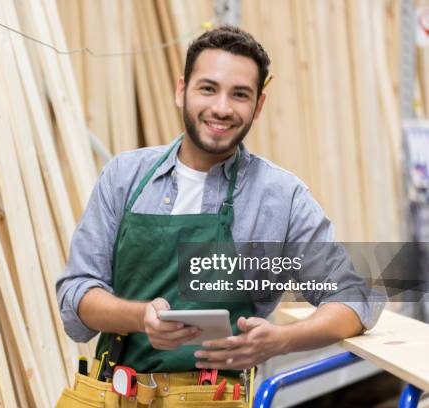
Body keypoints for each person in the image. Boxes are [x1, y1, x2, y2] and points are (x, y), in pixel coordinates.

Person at [56, 25, 384, 406]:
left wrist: (281, 341)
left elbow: (355, 298)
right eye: (208, 88)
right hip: (114, 395)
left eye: (240, 95)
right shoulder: (125, 177)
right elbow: (76, 295)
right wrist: (140, 316)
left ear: (258, 106)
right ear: (182, 90)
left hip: (214, 398)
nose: (222, 108)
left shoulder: (279, 197)